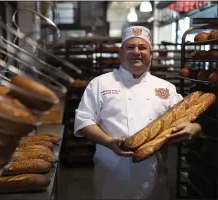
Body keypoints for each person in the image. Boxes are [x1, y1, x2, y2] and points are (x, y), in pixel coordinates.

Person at [74, 26, 202, 200]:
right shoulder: (99, 84)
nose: (136, 52)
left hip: (154, 174)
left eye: (142, 47)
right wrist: (107, 140)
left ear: (151, 52)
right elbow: (83, 120)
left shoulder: (166, 88)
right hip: (111, 173)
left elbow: (187, 118)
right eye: (130, 47)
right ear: (120, 52)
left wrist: (194, 128)